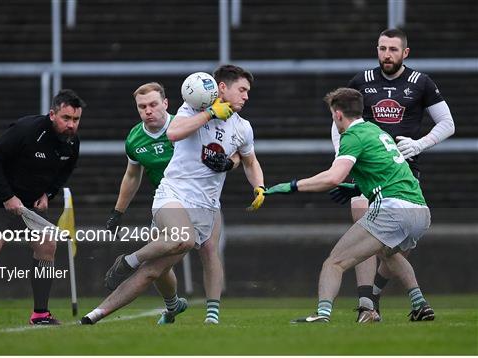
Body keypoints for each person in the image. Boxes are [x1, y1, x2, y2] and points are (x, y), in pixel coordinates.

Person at [81, 64, 266, 325]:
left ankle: (96, 314)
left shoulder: (243, 127)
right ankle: (129, 261)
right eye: (242, 90)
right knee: (184, 240)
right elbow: (174, 133)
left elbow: (250, 161)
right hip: (173, 192)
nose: (246, 96)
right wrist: (211, 113)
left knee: (158, 269)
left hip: (207, 203)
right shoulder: (194, 109)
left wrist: (258, 186)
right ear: (222, 87)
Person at [266, 87, 434, 323]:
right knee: (388, 253)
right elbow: (387, 171)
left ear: (337, 115)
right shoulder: (376, 131)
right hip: (420, 211)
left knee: (334, 262)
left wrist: (293, 185)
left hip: (393, 209)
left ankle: (322, 315)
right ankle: (419, 304)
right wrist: (357, 188)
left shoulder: (352, 136)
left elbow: (333, 177)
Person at [329, 28, 455, 322]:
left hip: (404, 174)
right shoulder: (361, 81)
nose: (387, 54)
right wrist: (344, 160)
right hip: (368, 173)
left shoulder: (420, 82)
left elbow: (447, 123)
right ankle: (366, 305)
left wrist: (420, 144)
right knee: (364, 233)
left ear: (405, 53)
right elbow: (337, 124)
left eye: (393, 50)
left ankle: (374, 297)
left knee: (393, 249)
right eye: (382, 48)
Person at [103, 82, 239, 324]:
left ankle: (212, 316)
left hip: (202, 200)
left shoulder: (185, 124)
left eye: (154, 104)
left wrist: (231, 162)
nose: (148, 110)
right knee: (160, 265)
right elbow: (132, 176)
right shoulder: (134, 139)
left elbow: (231, 147)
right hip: (168, 201)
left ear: (165, 104)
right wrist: (118, 211)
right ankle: (172, 306)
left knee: (209, 250)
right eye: (142, 106)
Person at [0, 89, 86, 325]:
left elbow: (64, 173)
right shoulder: (27, 130)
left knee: (48, 243)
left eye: (75, 120)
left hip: (28, 202)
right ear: (52, 115)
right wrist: (7, 197)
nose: (71, 125)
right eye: (66, 118)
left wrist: (48, 194)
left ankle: (40, 314)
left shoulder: (72, 143)